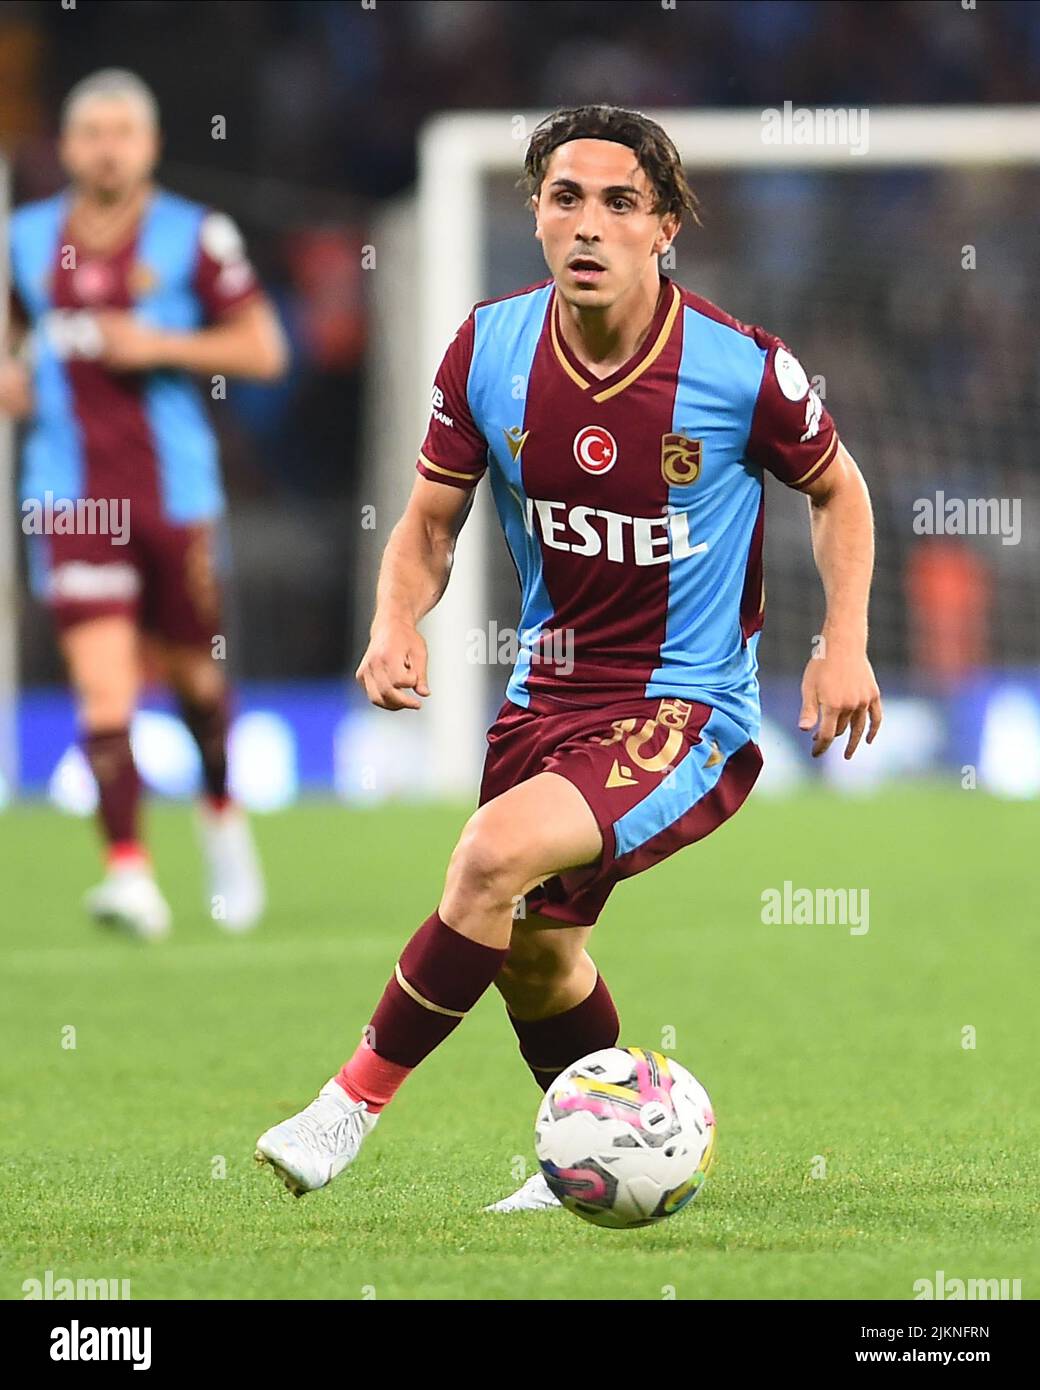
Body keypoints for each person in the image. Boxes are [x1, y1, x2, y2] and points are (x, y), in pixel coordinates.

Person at [255, 105, 882, 1209]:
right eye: (564, 199)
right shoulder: (487, 350)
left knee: (488, 856)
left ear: (664, 226)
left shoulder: (741, 370)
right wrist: (395, 620)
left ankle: (342, 1110)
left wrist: (843, 642)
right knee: (534, 958)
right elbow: (427, 523)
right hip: (543, 699)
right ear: (535, 216)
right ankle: (596, 1154)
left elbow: (837, 489)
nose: (588, 225)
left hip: (683, 708)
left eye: (619, 203)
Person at [1, 69, 288, 938]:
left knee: (197, 682)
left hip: (176, 497)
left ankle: (222, 822)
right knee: (103, 688)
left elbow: (265, 349)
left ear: (151, 145)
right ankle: (129, 874)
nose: (107, 146)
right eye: (91, 132)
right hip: (70, 495)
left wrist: (158, 341)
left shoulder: (195, 235)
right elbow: (13, 332)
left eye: (123, 131)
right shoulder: (24, 238)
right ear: (68, 145)